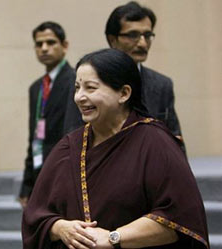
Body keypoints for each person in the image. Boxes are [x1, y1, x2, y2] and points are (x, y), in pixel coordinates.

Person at [22, 49, 209, 249]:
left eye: (91, 88)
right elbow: (35, 215)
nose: (79, 97)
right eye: (77, 88)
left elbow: (181, 218)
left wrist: (114, 238)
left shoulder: (155, 142)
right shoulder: (69, 147)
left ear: (124, 93)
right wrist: (60, 228)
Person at [64, 1, 184, 147]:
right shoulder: (86, 80)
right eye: (133, 35)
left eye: (147, 35)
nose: (142, 43)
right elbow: (73, 134)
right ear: (112, 40)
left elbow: (175, 139)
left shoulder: (161, 84)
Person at [19, 21, 76, 208]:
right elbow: (34, 136)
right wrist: (27, 184)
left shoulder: (76, 80)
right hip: (39, 171)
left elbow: (74, 132)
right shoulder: (36, 88)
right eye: (39, 44)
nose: (44, 48)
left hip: (66, 172)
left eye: (51, 42)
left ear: (65, 46)